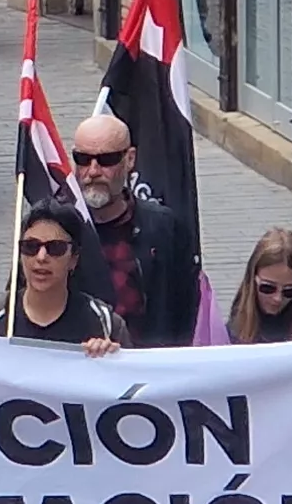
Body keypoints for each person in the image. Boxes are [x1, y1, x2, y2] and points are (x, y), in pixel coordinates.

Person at [65, 111, 204, 342]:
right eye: (83, 158)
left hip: (146, 365)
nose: (93, 171)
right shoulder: (54, 230)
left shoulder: (164, 228)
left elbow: (186, 308)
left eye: (107, 160)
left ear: (130, 159)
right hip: (77, 367)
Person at [0, 201, 129, 348]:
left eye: (55, 248)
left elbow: (130, 381)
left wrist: (111, 360)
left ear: (73, 258)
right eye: (30, 246)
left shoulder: (105, 326)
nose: (41, 257)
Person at [229, 228, 292, 342]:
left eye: (290, 291)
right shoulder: (230, 332)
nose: (277, 298)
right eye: (268, 288)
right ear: (252, 280)